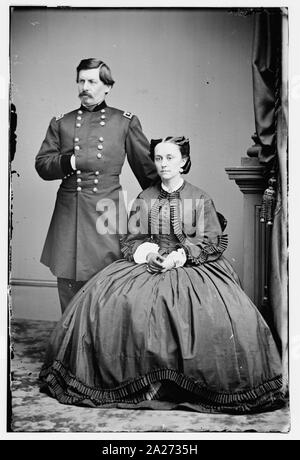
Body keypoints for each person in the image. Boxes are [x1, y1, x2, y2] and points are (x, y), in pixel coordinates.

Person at [39, 136, 285, 413]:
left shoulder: (200, 197)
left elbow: (211, 240)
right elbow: (131, 240)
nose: (163, 164)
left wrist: (181, 256)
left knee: (210, 314)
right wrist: (148, 253)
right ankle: (144, 384)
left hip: (193, 266)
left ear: (184, 161)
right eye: (158, 158)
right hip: (150, 263)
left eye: (170, 158)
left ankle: (181, 385)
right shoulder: (146, 197)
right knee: (115, 303)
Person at [35, 58, 158, 312]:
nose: (85, 86)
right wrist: (70, 160)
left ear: (107, 86)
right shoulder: (62, 122)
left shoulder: (124, 122)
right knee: (68, 285)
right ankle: (70, 349)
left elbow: (147, 173)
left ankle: (102, 349)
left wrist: (169, 202)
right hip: (70, 214)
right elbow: (42, 165)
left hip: (107, 213)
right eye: (81, 81)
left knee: (107, 289)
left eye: (92, 81)